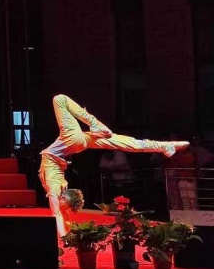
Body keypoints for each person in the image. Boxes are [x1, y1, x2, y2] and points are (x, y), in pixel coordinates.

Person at [40, 94, 188, 236]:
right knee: (60, 99)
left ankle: (164, 146)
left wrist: (65, 235)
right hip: (73, 141)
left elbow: (58, 214)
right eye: (64, 200)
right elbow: (58, 213)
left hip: (74, 142)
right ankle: (163, 146)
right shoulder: (56, 185)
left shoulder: (56, 185)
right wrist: (66, 236)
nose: (62, 199)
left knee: (125, 143)